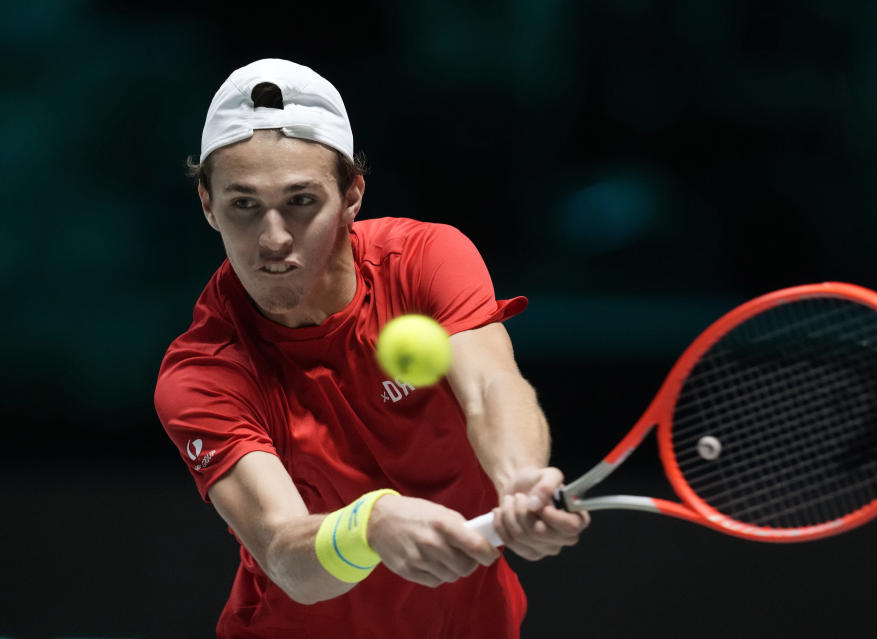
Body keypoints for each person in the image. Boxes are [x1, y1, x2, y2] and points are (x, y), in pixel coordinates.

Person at [154, 58, 589, 639]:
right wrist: (371, 522)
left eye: (302, 201)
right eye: (244, 205)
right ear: (208, 205)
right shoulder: (203, 373)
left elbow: (490, 387)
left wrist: (520, 482)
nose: (274, 237)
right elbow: (286, 554)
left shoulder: (426, 261)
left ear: (353, 194)